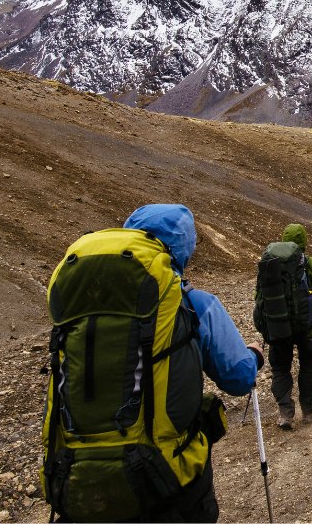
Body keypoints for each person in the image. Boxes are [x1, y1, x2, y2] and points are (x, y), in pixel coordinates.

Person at [42, 203, 264, 523]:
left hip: (76, 481)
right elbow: (239, 378)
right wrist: (254, 355)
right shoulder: (193, 305)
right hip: (163, 480)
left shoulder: (77, 310)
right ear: (182, 248)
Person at [255, 223, 312, 430]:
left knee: (280, 367)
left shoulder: (268, 265)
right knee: (308, 363)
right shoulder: (308, 263)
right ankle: (309, 411)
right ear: (304, 241)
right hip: (304, 327)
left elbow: (258, 297)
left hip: (277, 326)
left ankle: (285, 414)